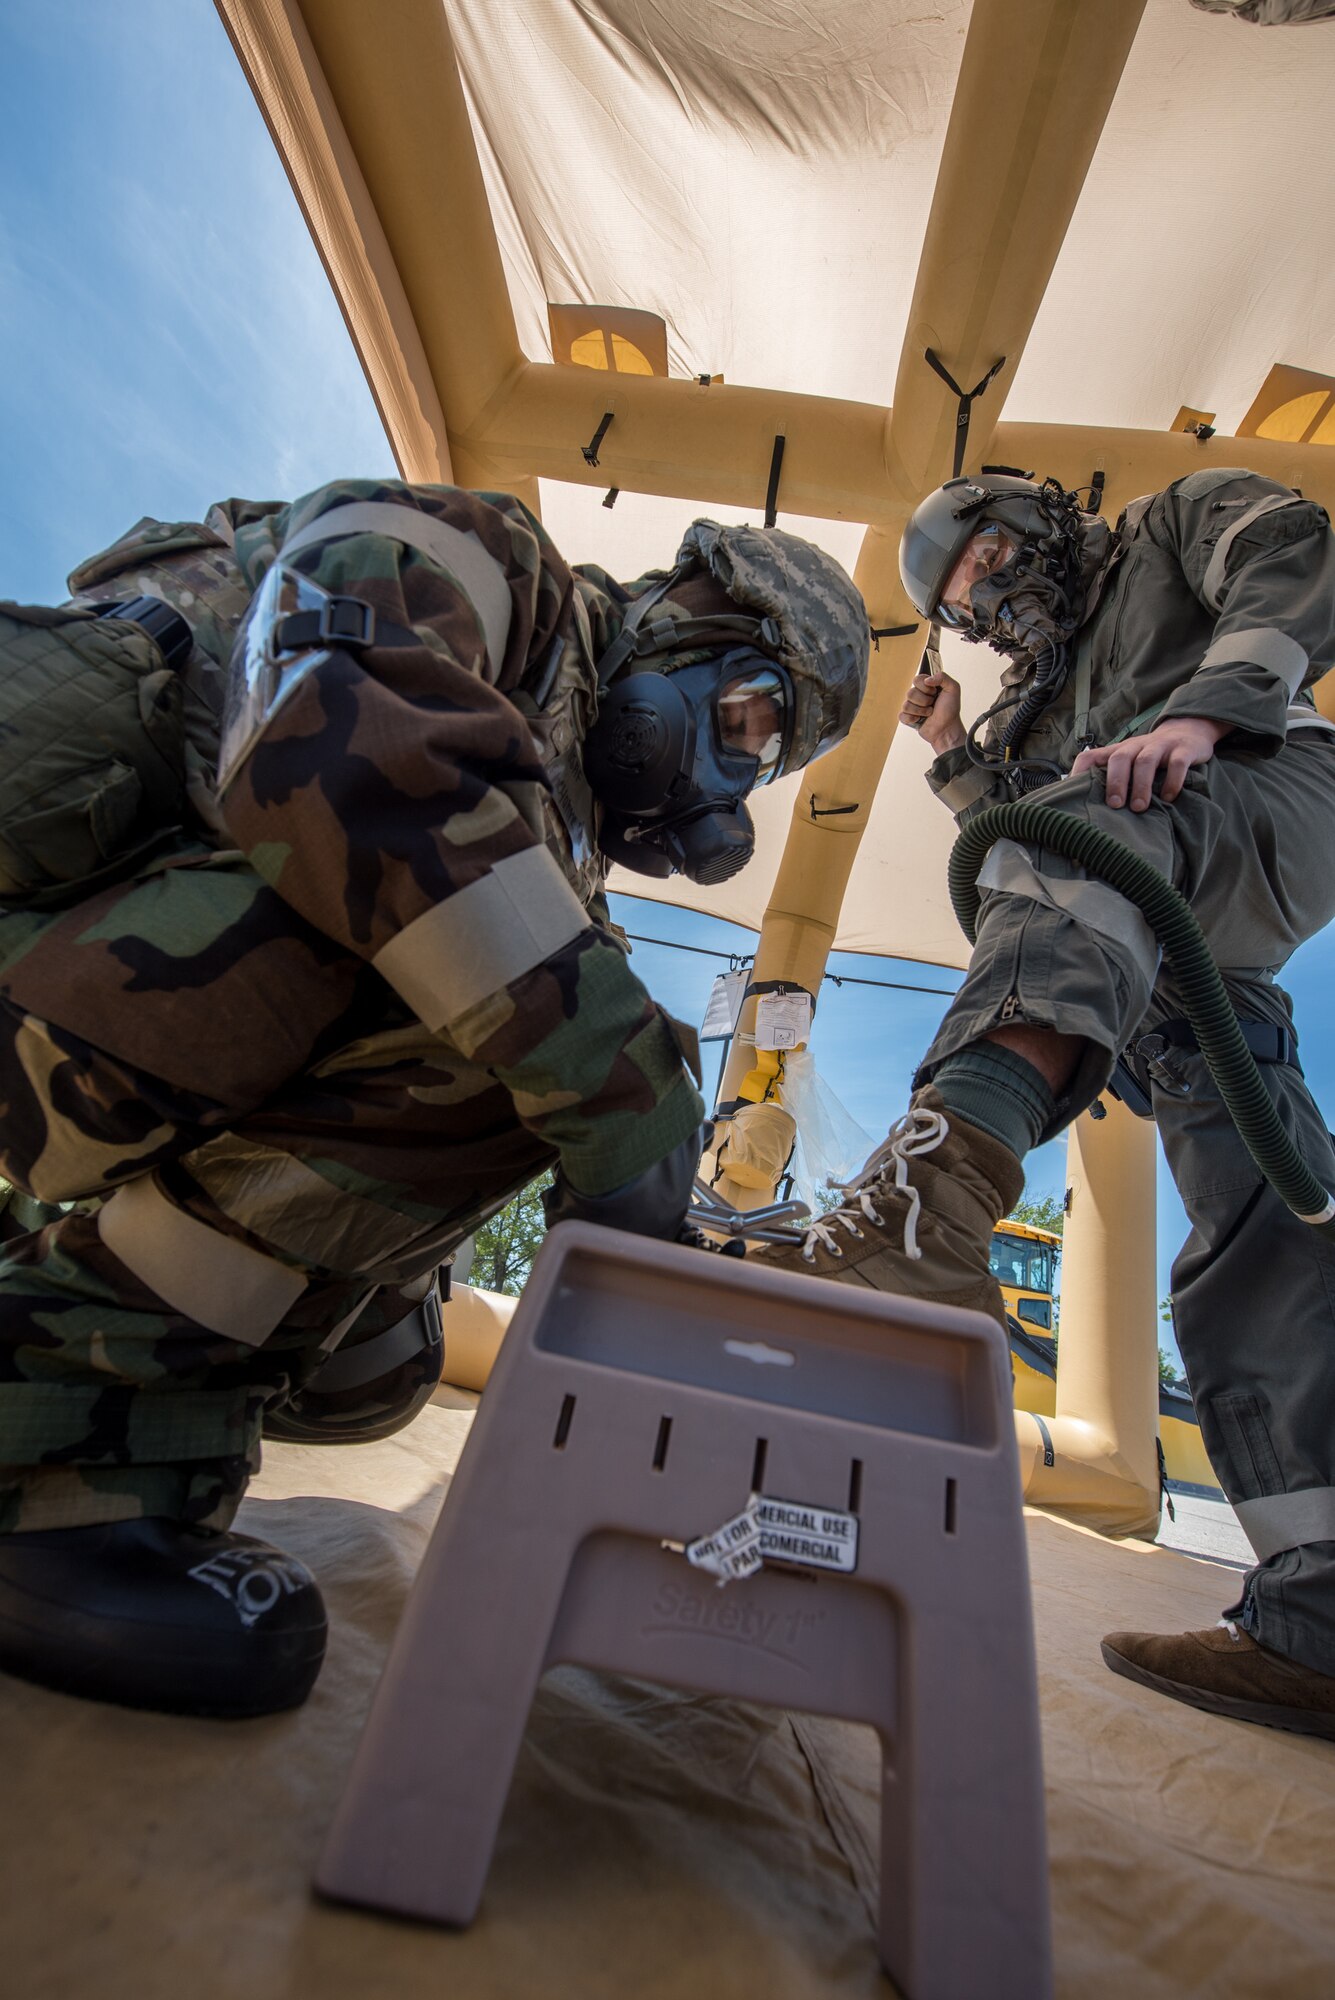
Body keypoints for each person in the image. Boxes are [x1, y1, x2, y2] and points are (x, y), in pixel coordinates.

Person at [0, 477, 869, 1716]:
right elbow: (328, 729)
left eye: (765, 762)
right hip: (43, 945)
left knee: (378, 1360)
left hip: (76, 1010)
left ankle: (71, 1310)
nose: (730, 776)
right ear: (691, 605)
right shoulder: (486, 557)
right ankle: (48, 1469)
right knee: (547, 1023)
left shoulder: (554, 812)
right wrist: (625, 1097)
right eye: (750, 719)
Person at [756, 465, 1335, 1741]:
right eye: (966, 600)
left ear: (1038, 522)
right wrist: (953, 750)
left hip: (1275, 798)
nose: (988, 595)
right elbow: (1006, 832)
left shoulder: (1175, 525)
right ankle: (1322, 1610)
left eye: (986, 558)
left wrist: (1208, 716)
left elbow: (1293, 547)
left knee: (1093, 822)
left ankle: (927, 1208)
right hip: (1172, 921)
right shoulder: (1028, 706)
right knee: (1255, 1208)